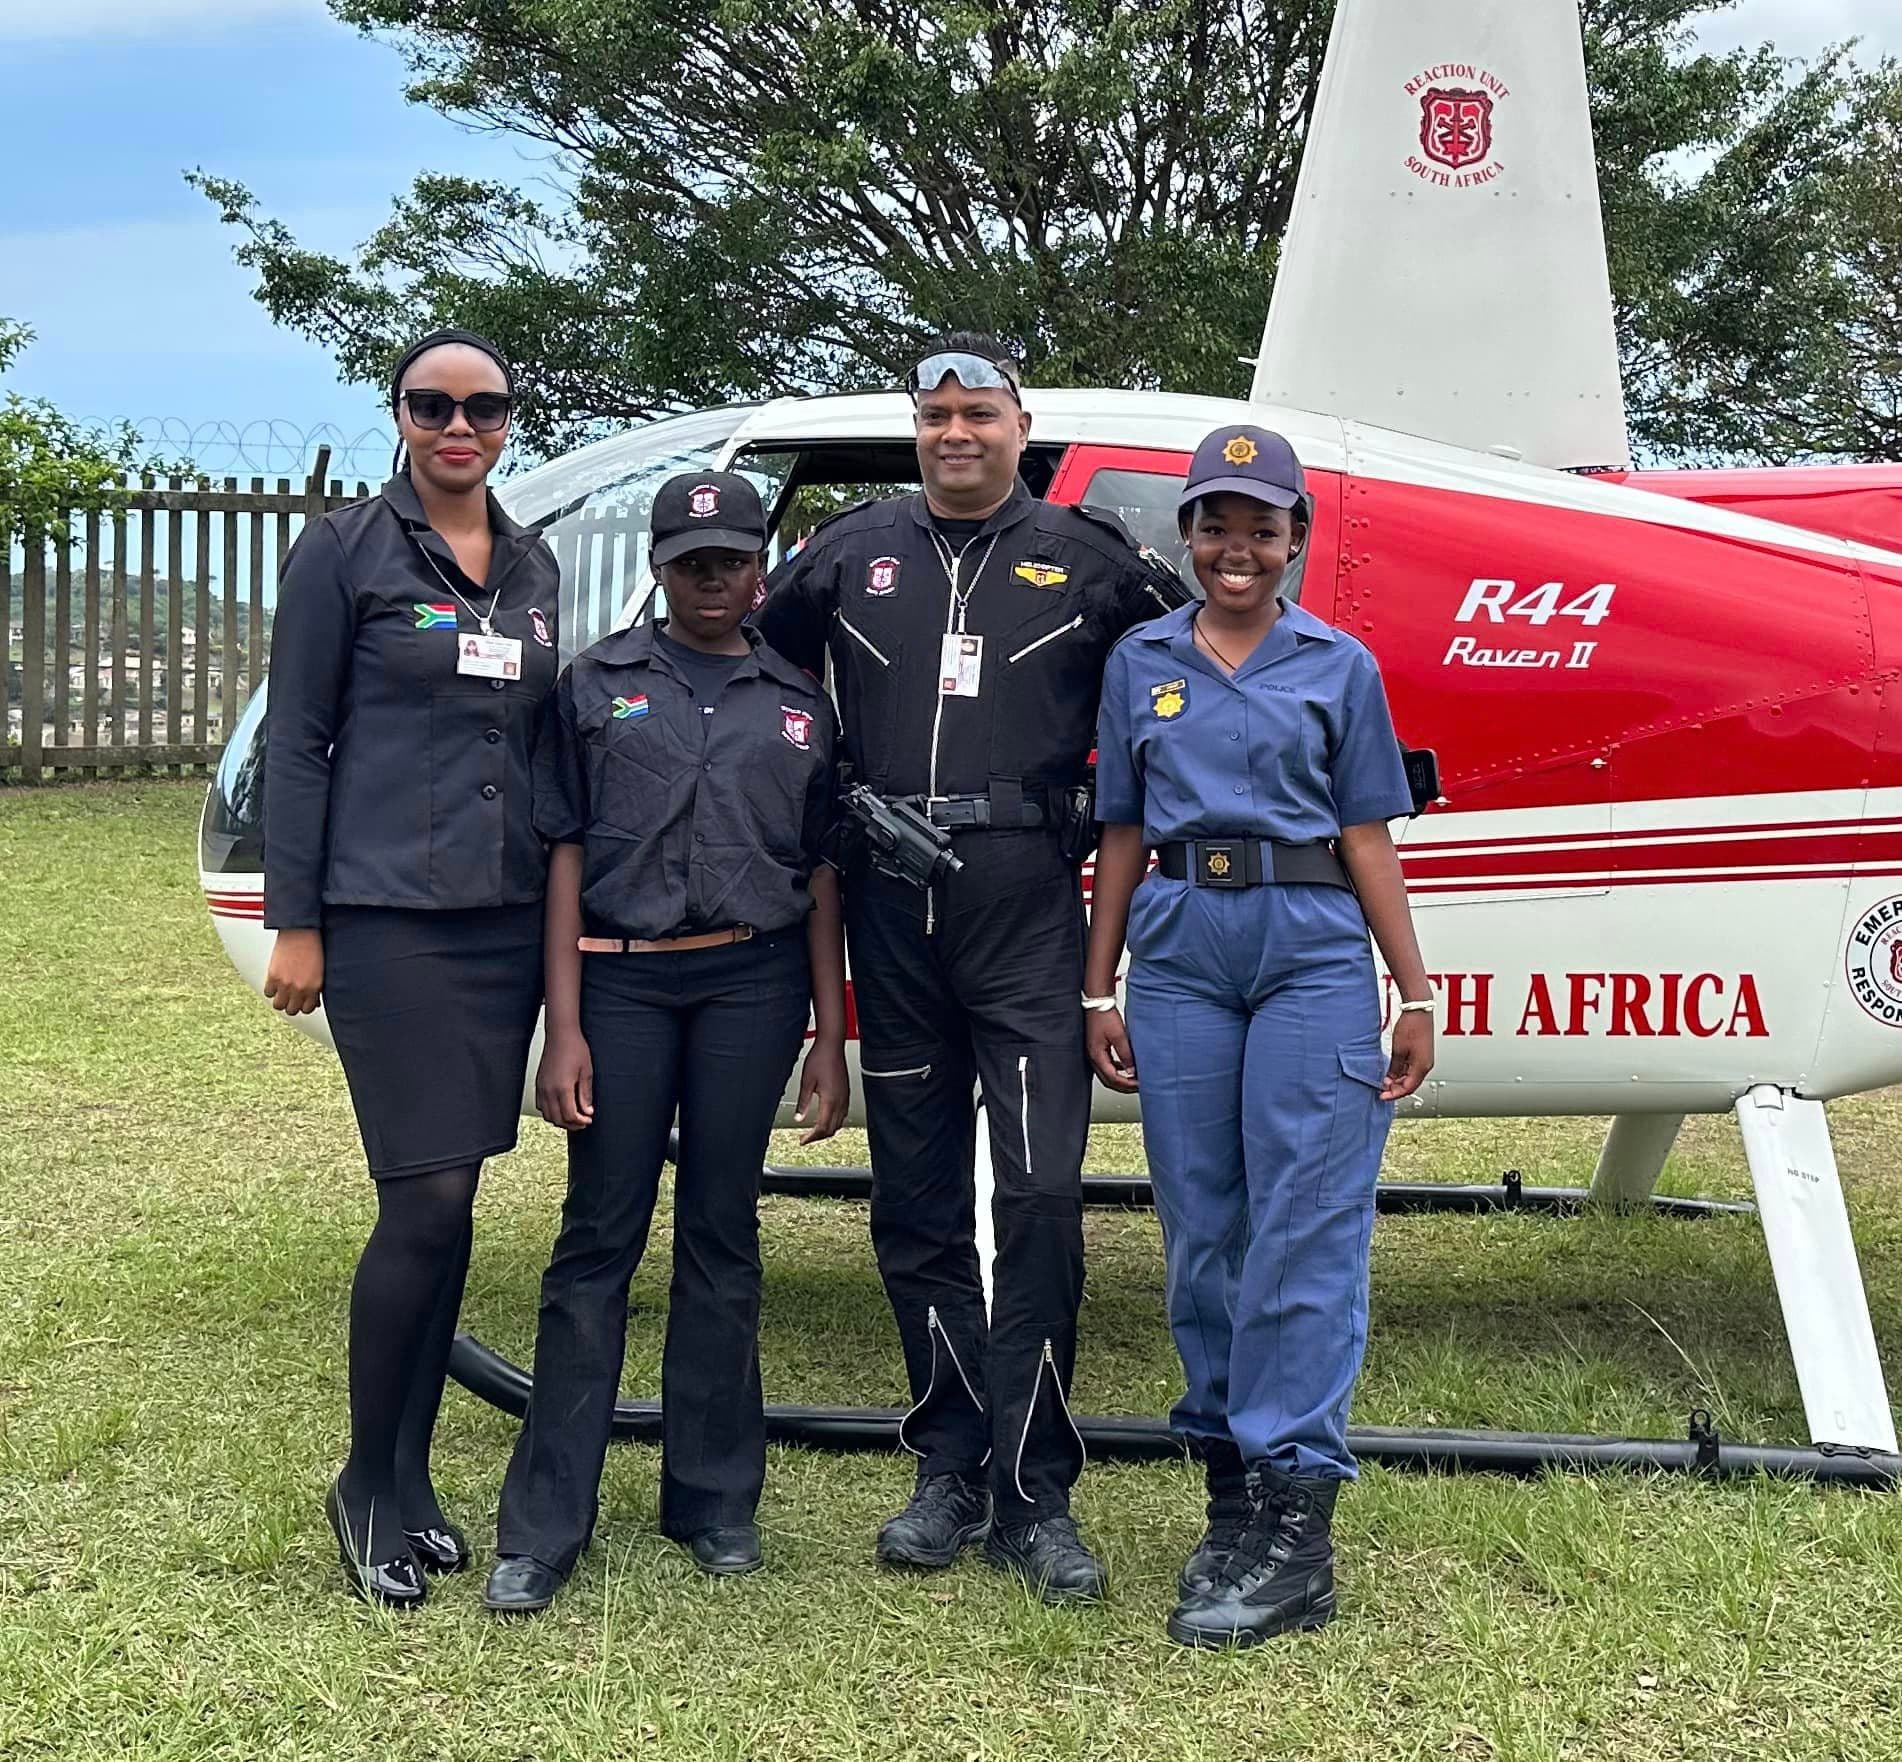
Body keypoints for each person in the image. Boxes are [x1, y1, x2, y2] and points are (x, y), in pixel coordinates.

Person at [753, 332, 1190, 1604]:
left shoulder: (1095, 558)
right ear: (916, 427)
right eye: (936, 413)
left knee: (1043, 1198)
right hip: (892, 910)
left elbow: (1205, 667)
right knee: (919, 1200)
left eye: (979, 413)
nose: (956, 433)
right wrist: (835, 796)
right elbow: (759, 687)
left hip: (1026, 907)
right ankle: (947, 1460)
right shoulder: (848, 552)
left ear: (1019, 425)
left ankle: (1036, 1486)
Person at [1081, 423, 1434, 1648]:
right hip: (1180, 951)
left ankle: (1295, 1526)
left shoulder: (1340, 666)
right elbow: (1120, 829)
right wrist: (1098, 985)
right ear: (1187, 534)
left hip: (1308, 949)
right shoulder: (1142, 660)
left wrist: (1415, 988)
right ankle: (1232, 1497)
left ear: (1295, 540)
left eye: (1262, 526)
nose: (1238, 547)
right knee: (1204, 1228)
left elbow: (1369, 837)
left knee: (1306, 1229)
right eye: (1216, 523)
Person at [482, 472, 851, 1615]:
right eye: (693, 562)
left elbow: (822, 874)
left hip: (751, 981)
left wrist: (829, 1033)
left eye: (734, 561)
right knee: (597, 1239)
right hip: (624, 985)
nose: (714, 581)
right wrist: (565, 1026)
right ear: (659, 564)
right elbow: (563, 856)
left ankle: (713, 1499)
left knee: (722, 1236)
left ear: (762, 566)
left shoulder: (800, 701)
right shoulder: (595, 687)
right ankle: (545, 1522)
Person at [261, 328, 560, 1607]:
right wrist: (298, 918)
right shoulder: (342, 552)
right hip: (386, 919)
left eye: (483, 407)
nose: (459, 427)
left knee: (459, 1205)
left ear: (506, 423)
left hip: (500, 921)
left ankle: (415, 1476)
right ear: (398, 415)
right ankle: (361, 1482)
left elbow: (546, 730)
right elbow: (300, 744)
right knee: (423, 1203)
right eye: (433, 405)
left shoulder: (533, 558)